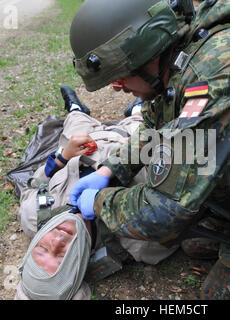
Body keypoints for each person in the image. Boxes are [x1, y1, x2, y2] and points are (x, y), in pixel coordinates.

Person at [67, 0, 230, 300]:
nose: (118, 88)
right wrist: (111, 169)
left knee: (219, 294)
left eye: (120, 78)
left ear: (146, 54)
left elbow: (162, 212)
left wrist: (100, 201)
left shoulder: (222, 71)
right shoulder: (181, 53)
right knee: (193, 242)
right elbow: (154, 125)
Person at [15, 86, 178, 300]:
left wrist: (63, 157)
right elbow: (178, 194)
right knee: (140, 115)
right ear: (80, 267)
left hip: (81, 140)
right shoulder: (140, 242)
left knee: (75, 118)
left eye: (41, 248)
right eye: (62, 255)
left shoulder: (33, 216)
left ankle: (75, 107)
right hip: (131, 140)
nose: (56, 240)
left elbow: (34, 184)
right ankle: (135, 111)